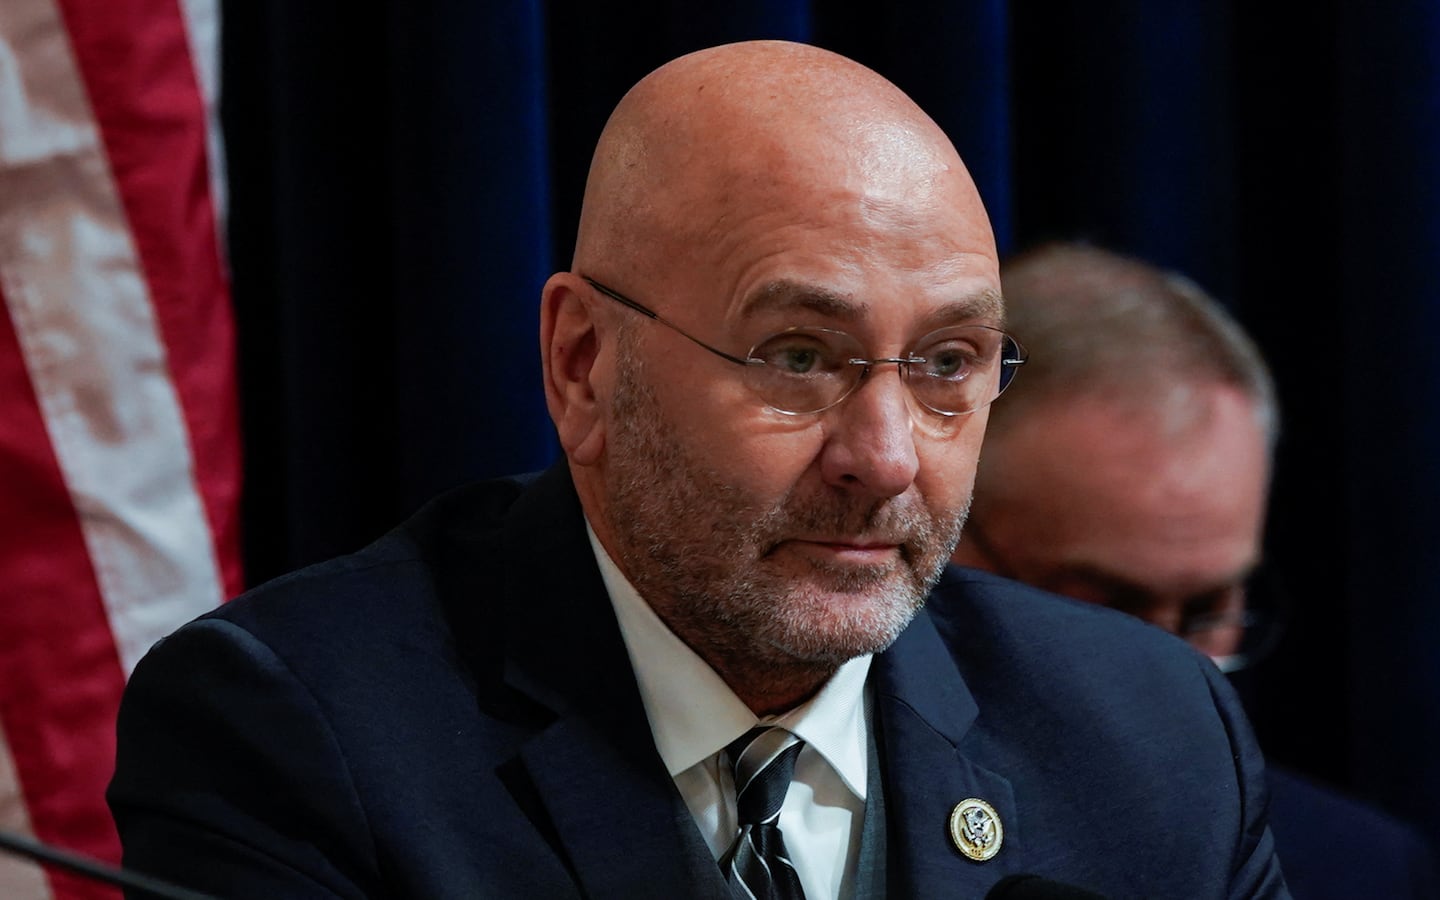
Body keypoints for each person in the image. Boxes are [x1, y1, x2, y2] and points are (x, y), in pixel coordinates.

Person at [108, 43, 1287, 899]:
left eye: (946, 364)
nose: (884, 457)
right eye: (798, 356)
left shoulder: (1153, 740)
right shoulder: (300, 736)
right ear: (583, 366)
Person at [953, 241, 1440, 900]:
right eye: (1106, 609)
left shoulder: (1359, 871)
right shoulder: (814, 827)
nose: (1176, 673)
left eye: (1210, 611)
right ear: (945, 536)